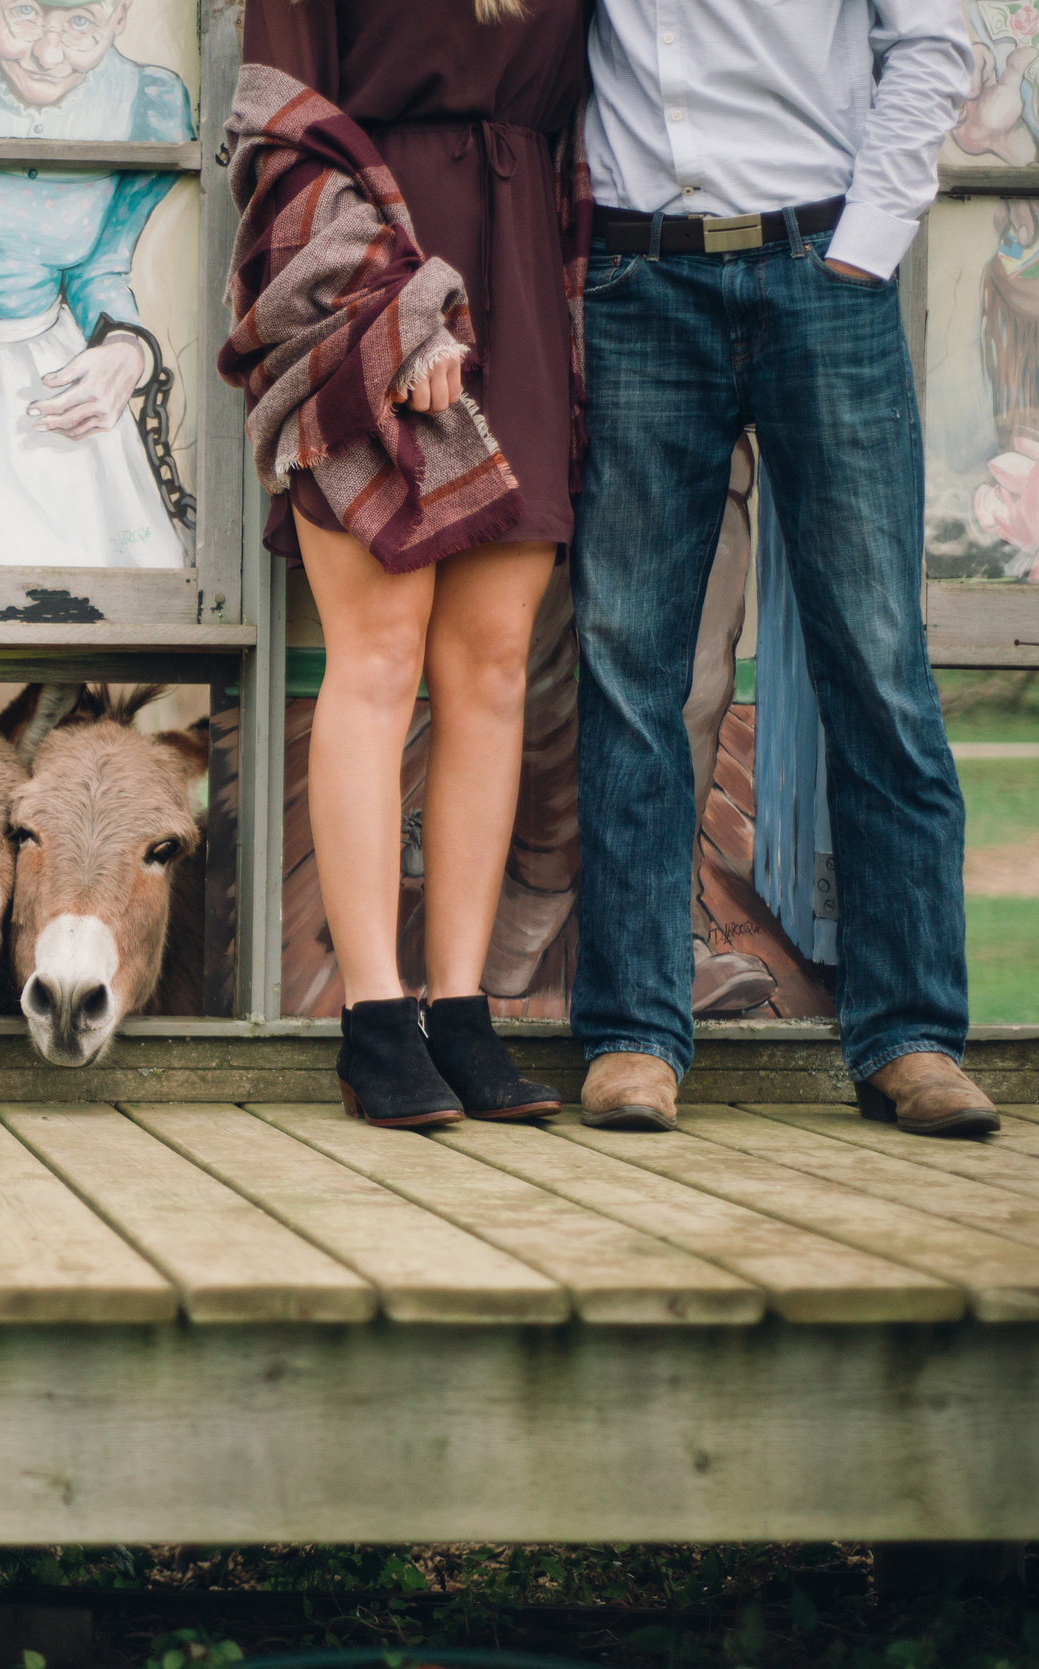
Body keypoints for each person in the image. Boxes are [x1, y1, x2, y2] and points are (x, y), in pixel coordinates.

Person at [567, 3, 997, 1137]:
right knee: (628, 665)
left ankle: (911, 1034)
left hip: (823, 269)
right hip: (634, 277)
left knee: (875, 660)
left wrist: (867, 241)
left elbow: (930, 43)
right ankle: (632, 1033)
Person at [221, 0, 590, 1127]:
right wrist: (392, 309)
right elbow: (280, 133)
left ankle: (461, 1011)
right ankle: (376, 1019)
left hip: (518, 281)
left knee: (491, 668)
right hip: (370, 291)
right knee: (377, 658)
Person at [0, 0, 195, 569]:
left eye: (81, 23)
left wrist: (125, 349)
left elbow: (99, 270)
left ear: (120, 18)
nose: (47, 53)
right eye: (25, 13)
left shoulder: (147, 106)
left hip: (50, 372)